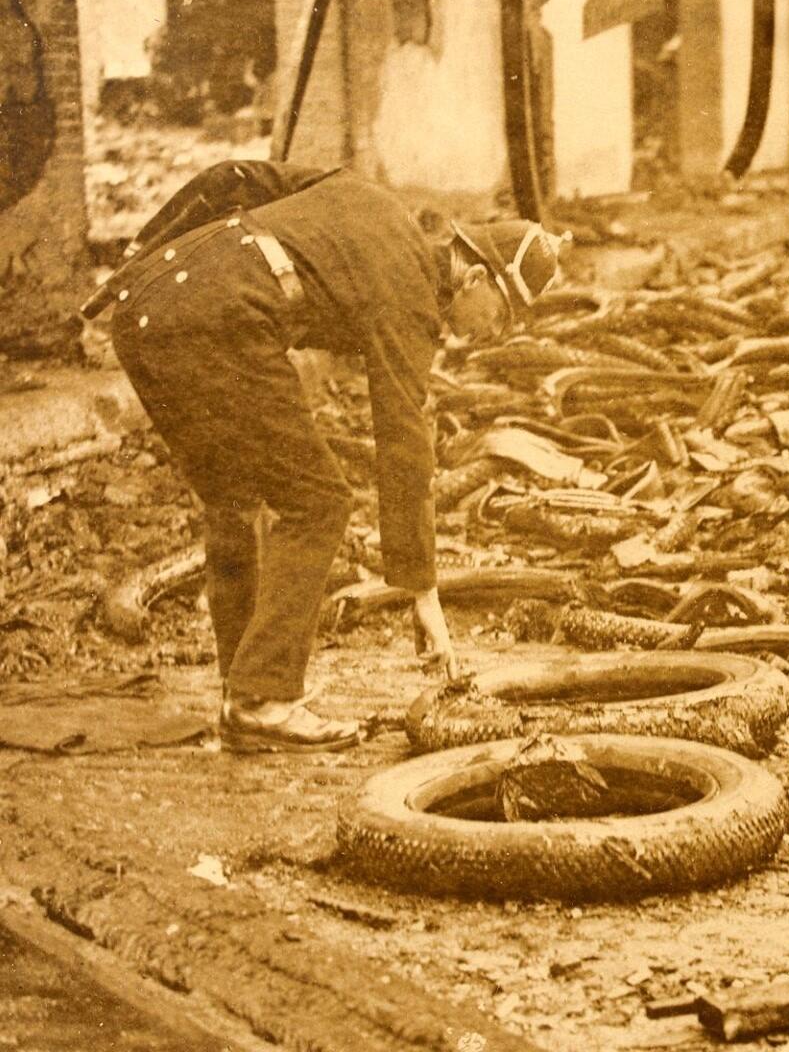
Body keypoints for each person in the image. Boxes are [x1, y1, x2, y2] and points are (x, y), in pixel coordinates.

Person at [108, 164, 568, 753]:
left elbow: (237, 177)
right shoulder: (411, 301)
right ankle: (261, 698)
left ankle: (246, 691)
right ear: (475, 276)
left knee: (233, 497)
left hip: (146, 312)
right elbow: (404, 445)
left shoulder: (367, 195)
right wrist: (423, 593)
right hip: (223, 326)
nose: (495, 335)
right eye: (503, 316)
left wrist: (137, 257)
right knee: (319, 502)